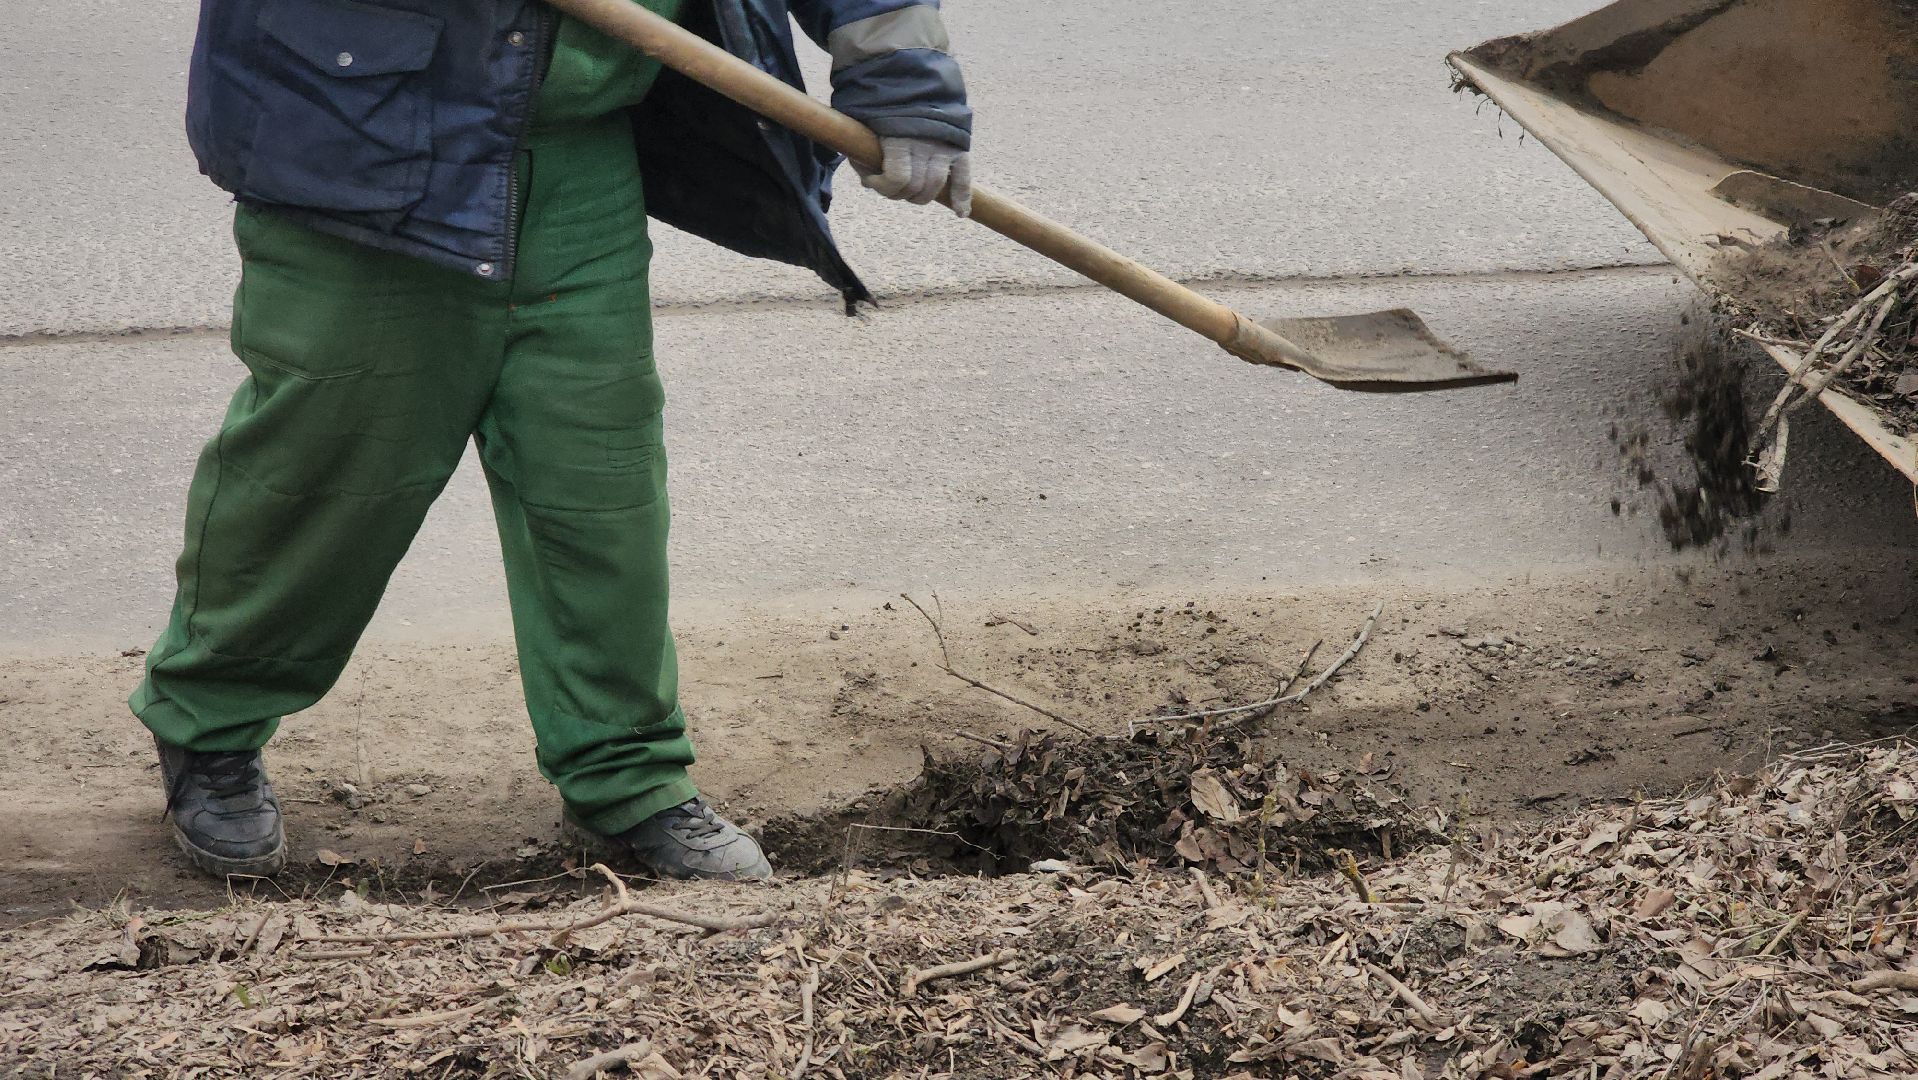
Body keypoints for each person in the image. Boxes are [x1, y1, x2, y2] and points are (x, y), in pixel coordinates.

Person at [134, 0, 973, 882]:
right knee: (324, 472)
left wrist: (906, 85)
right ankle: (210, 723)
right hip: (367, 145)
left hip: (579, 161)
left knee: (599, 486)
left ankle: (626, 773)